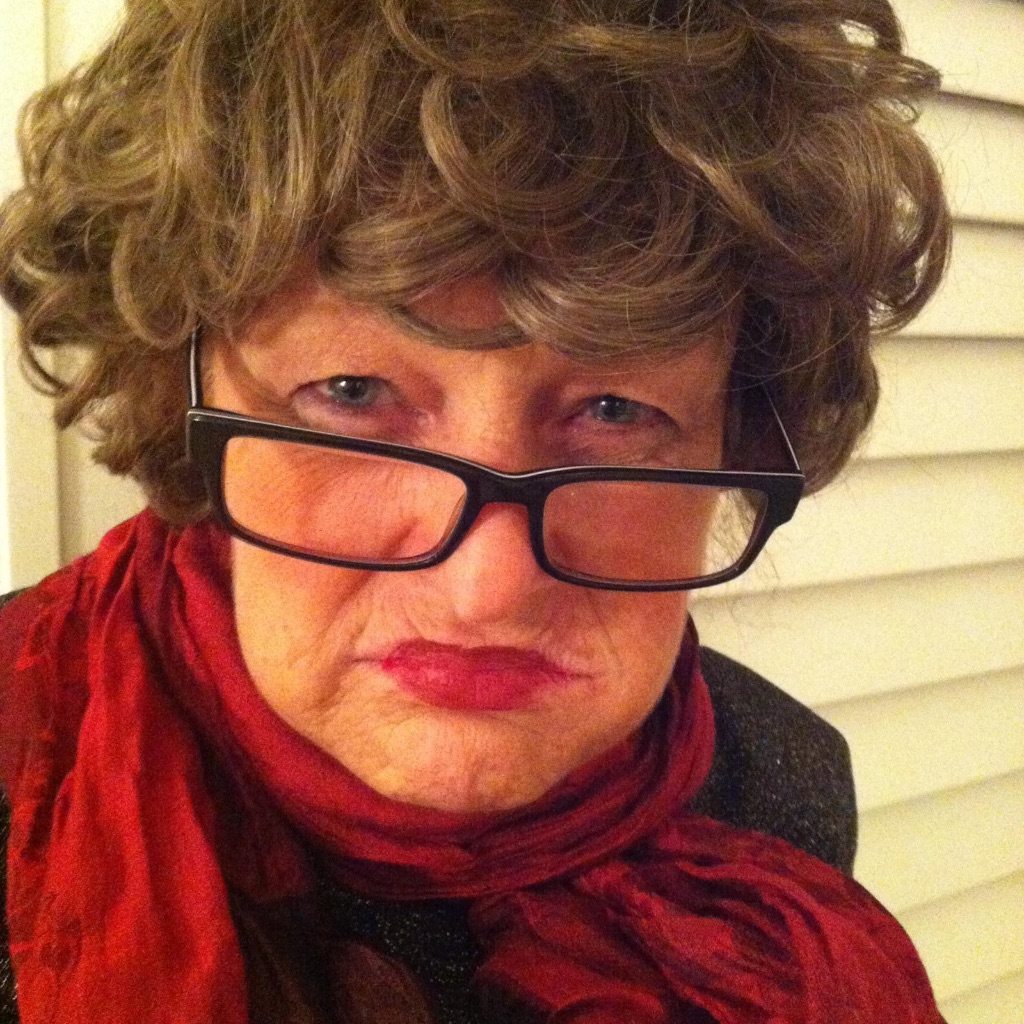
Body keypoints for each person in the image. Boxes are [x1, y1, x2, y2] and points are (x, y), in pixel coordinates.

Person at [0, 1, 951, 1021]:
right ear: (179, 393)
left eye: (615, 409)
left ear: (736, 434)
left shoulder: (777, 783)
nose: (485, 592)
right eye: (352, 391)